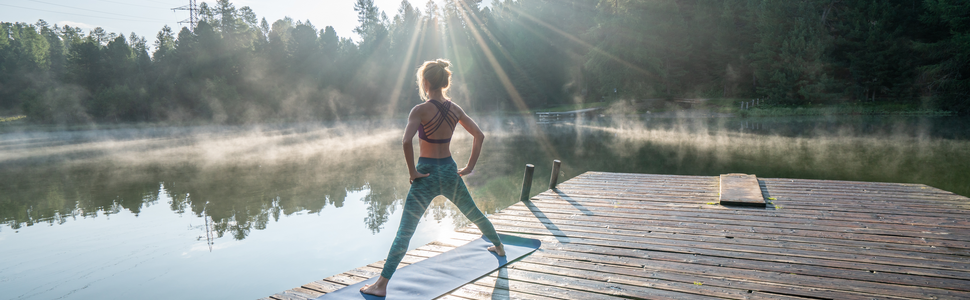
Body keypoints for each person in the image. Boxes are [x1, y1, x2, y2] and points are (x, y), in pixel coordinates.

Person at [360, 59, 505, 297]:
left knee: (405, 232)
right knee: (474, 212)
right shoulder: (455, 109)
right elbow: (479, 135)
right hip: (449, 170)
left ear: (426, 82)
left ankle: (381, 285)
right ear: (444, 82)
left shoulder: (419, 110)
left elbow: (406, 141)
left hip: (425, 174)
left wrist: (412, 173)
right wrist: (469, 167)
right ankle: (499, 247)